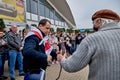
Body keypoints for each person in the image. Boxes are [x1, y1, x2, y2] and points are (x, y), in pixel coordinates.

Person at [57, 9, 120, 80]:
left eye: (93, 22)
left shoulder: (92, 39)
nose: (92, 25)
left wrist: (62, 59)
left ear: (99, 21)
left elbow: (71, 66)